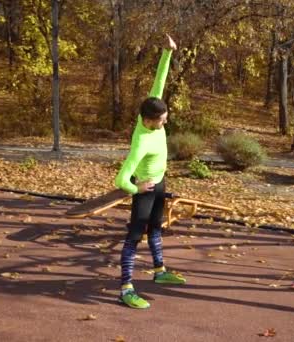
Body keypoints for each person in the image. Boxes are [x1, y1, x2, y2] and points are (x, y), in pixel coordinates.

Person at [114, 34, 185, 309]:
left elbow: (159, 81)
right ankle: (125, 288)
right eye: (162, 120)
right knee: (134, 236)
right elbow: (121, 178)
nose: (165, 122)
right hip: (144, 188)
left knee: (156, 227)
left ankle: (159, 272)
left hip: (159, 182)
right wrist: (136, 188)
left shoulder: (152, 112)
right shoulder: (141, 141)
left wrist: (167, 53)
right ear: (148, 120)